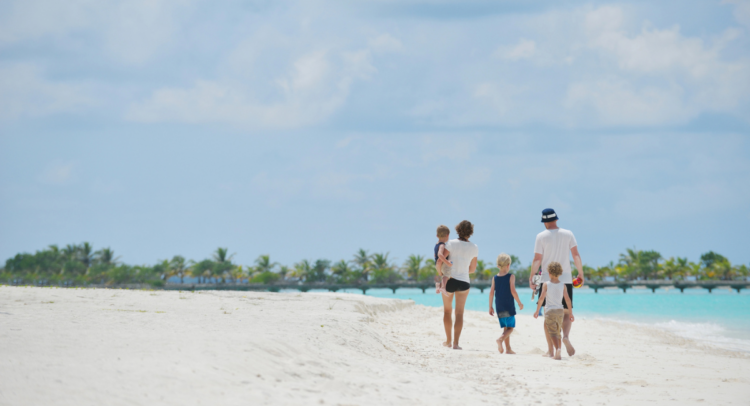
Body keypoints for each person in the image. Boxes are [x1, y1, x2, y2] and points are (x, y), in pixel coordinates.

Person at [528, 208, 585, 357]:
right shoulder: (568, 234)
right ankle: (565, 336)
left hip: (547, 279)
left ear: (544, 222)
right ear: (556, 219)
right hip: (566, 279)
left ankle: (551, 350)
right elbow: (576, 255)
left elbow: (537, 259)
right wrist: (580, 273)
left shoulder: (541, 236)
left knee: (549, 315)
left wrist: (532, 276)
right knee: (566, 312)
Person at [440, 220, 478, 350]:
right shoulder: (474, 247)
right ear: (471, 232)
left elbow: (441, 260)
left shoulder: (450, 243)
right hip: (464, 282)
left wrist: (441, 273)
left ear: (457, 230)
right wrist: (462, 271)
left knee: (447, 311)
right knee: (460, 313)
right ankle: (456, 343)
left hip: (450, 279)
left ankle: (448, 341)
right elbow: (472, 269)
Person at [533, 261, 574, 360]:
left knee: (552, 333)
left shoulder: (546, 284)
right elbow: (567, 300)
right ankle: (558, 353)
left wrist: (537, 310)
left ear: (549, 273)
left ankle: (557, 349)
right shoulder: (563, 285)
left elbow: (542, 298)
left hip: (550, 311)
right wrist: (570, 313)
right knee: (558, 331)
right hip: (560, 311)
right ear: (560, 273)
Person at [488, 253, 523, 354]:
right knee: (510, 328)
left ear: (498, 265)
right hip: (508, 306)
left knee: (505, 327)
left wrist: (490, 306)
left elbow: (491, 293)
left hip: (499, 306)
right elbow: (513, 291)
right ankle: (500, 339)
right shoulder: (511, 276)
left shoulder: (494, 278)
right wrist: (520, 303)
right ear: (508, 265)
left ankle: (508, 349)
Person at [433, 225, 453, 295]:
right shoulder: (442, 245)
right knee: (446, 274)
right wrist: (447, 262)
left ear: (437, 236)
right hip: (442, 264)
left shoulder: (436, 244)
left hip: (437, 264)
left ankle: (438, 286)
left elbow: (435, 255)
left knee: (440, 275)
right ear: (447, 235)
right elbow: (440, 254)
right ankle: (443, 287)